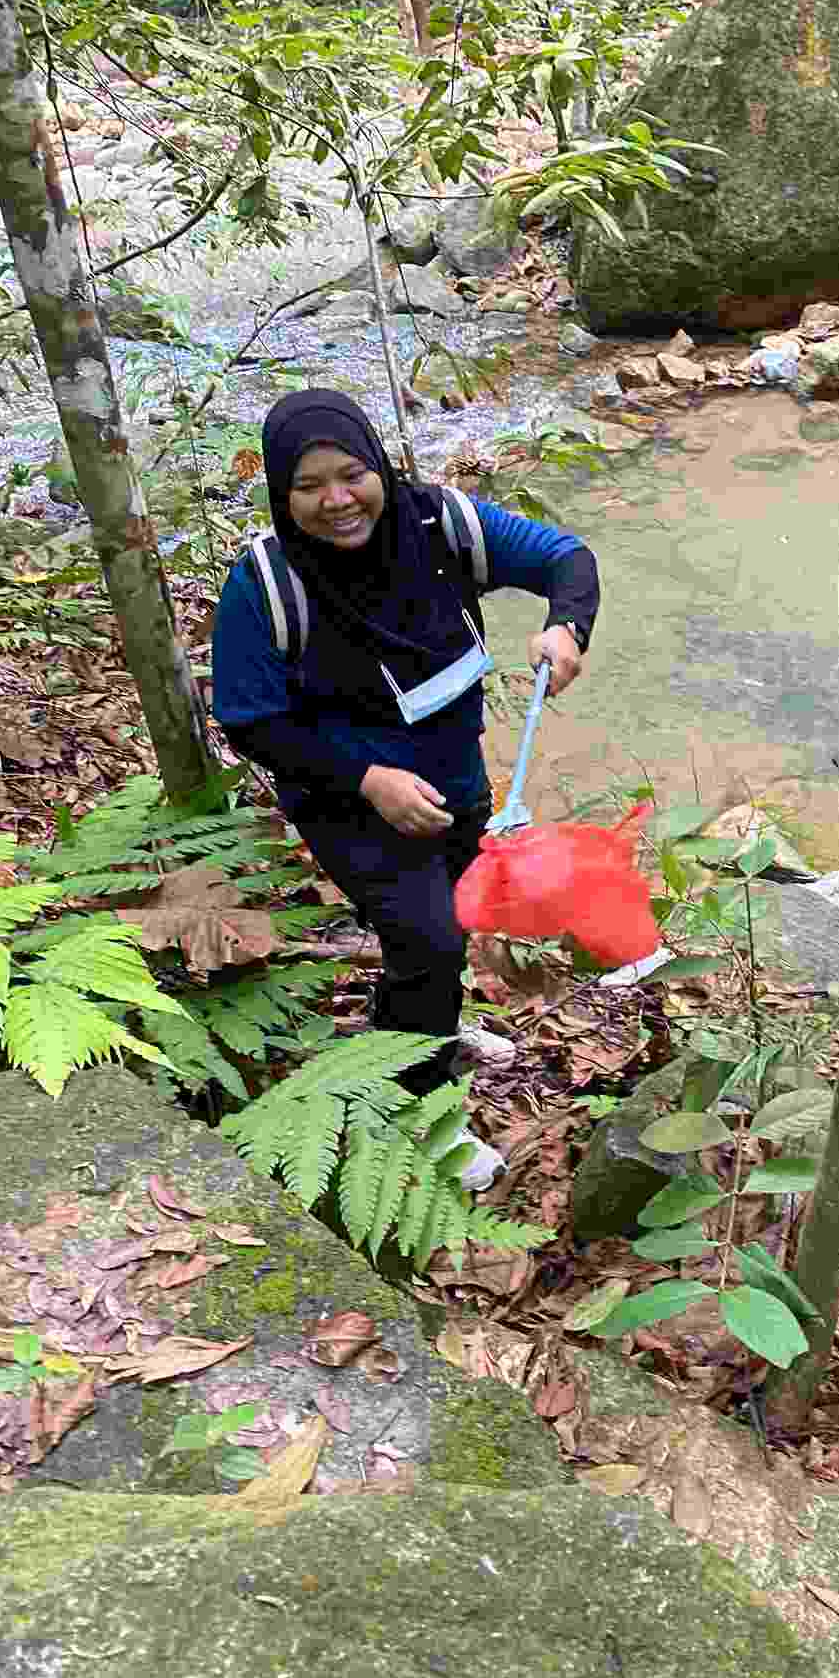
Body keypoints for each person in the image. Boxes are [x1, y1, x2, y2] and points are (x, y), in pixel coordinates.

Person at [212, 391, 599, 1186]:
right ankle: (423, 1114)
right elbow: (250, 720)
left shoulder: (441, 526)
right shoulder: (266, 585)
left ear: (379, 466)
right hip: (347, 799)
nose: (337, 500)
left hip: (455, 780)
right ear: (282, 495)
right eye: (309, 486)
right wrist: (367, 777)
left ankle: (430, 1027)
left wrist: (568, 627)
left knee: (445, 925)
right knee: (428, 938)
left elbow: (567, 559)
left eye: (352, 474)